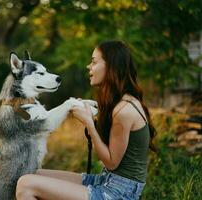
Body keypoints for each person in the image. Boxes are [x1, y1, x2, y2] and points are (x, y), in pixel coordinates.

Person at [15, 40, 157, 200]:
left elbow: (111, 163)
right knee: (32, 174)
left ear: (111, 66)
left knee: (26, 184)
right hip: (105, 181)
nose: (88, 66)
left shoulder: (124, 110)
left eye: (94, 62)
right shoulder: (121, 102)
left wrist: (89, 123)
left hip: (118, 194)